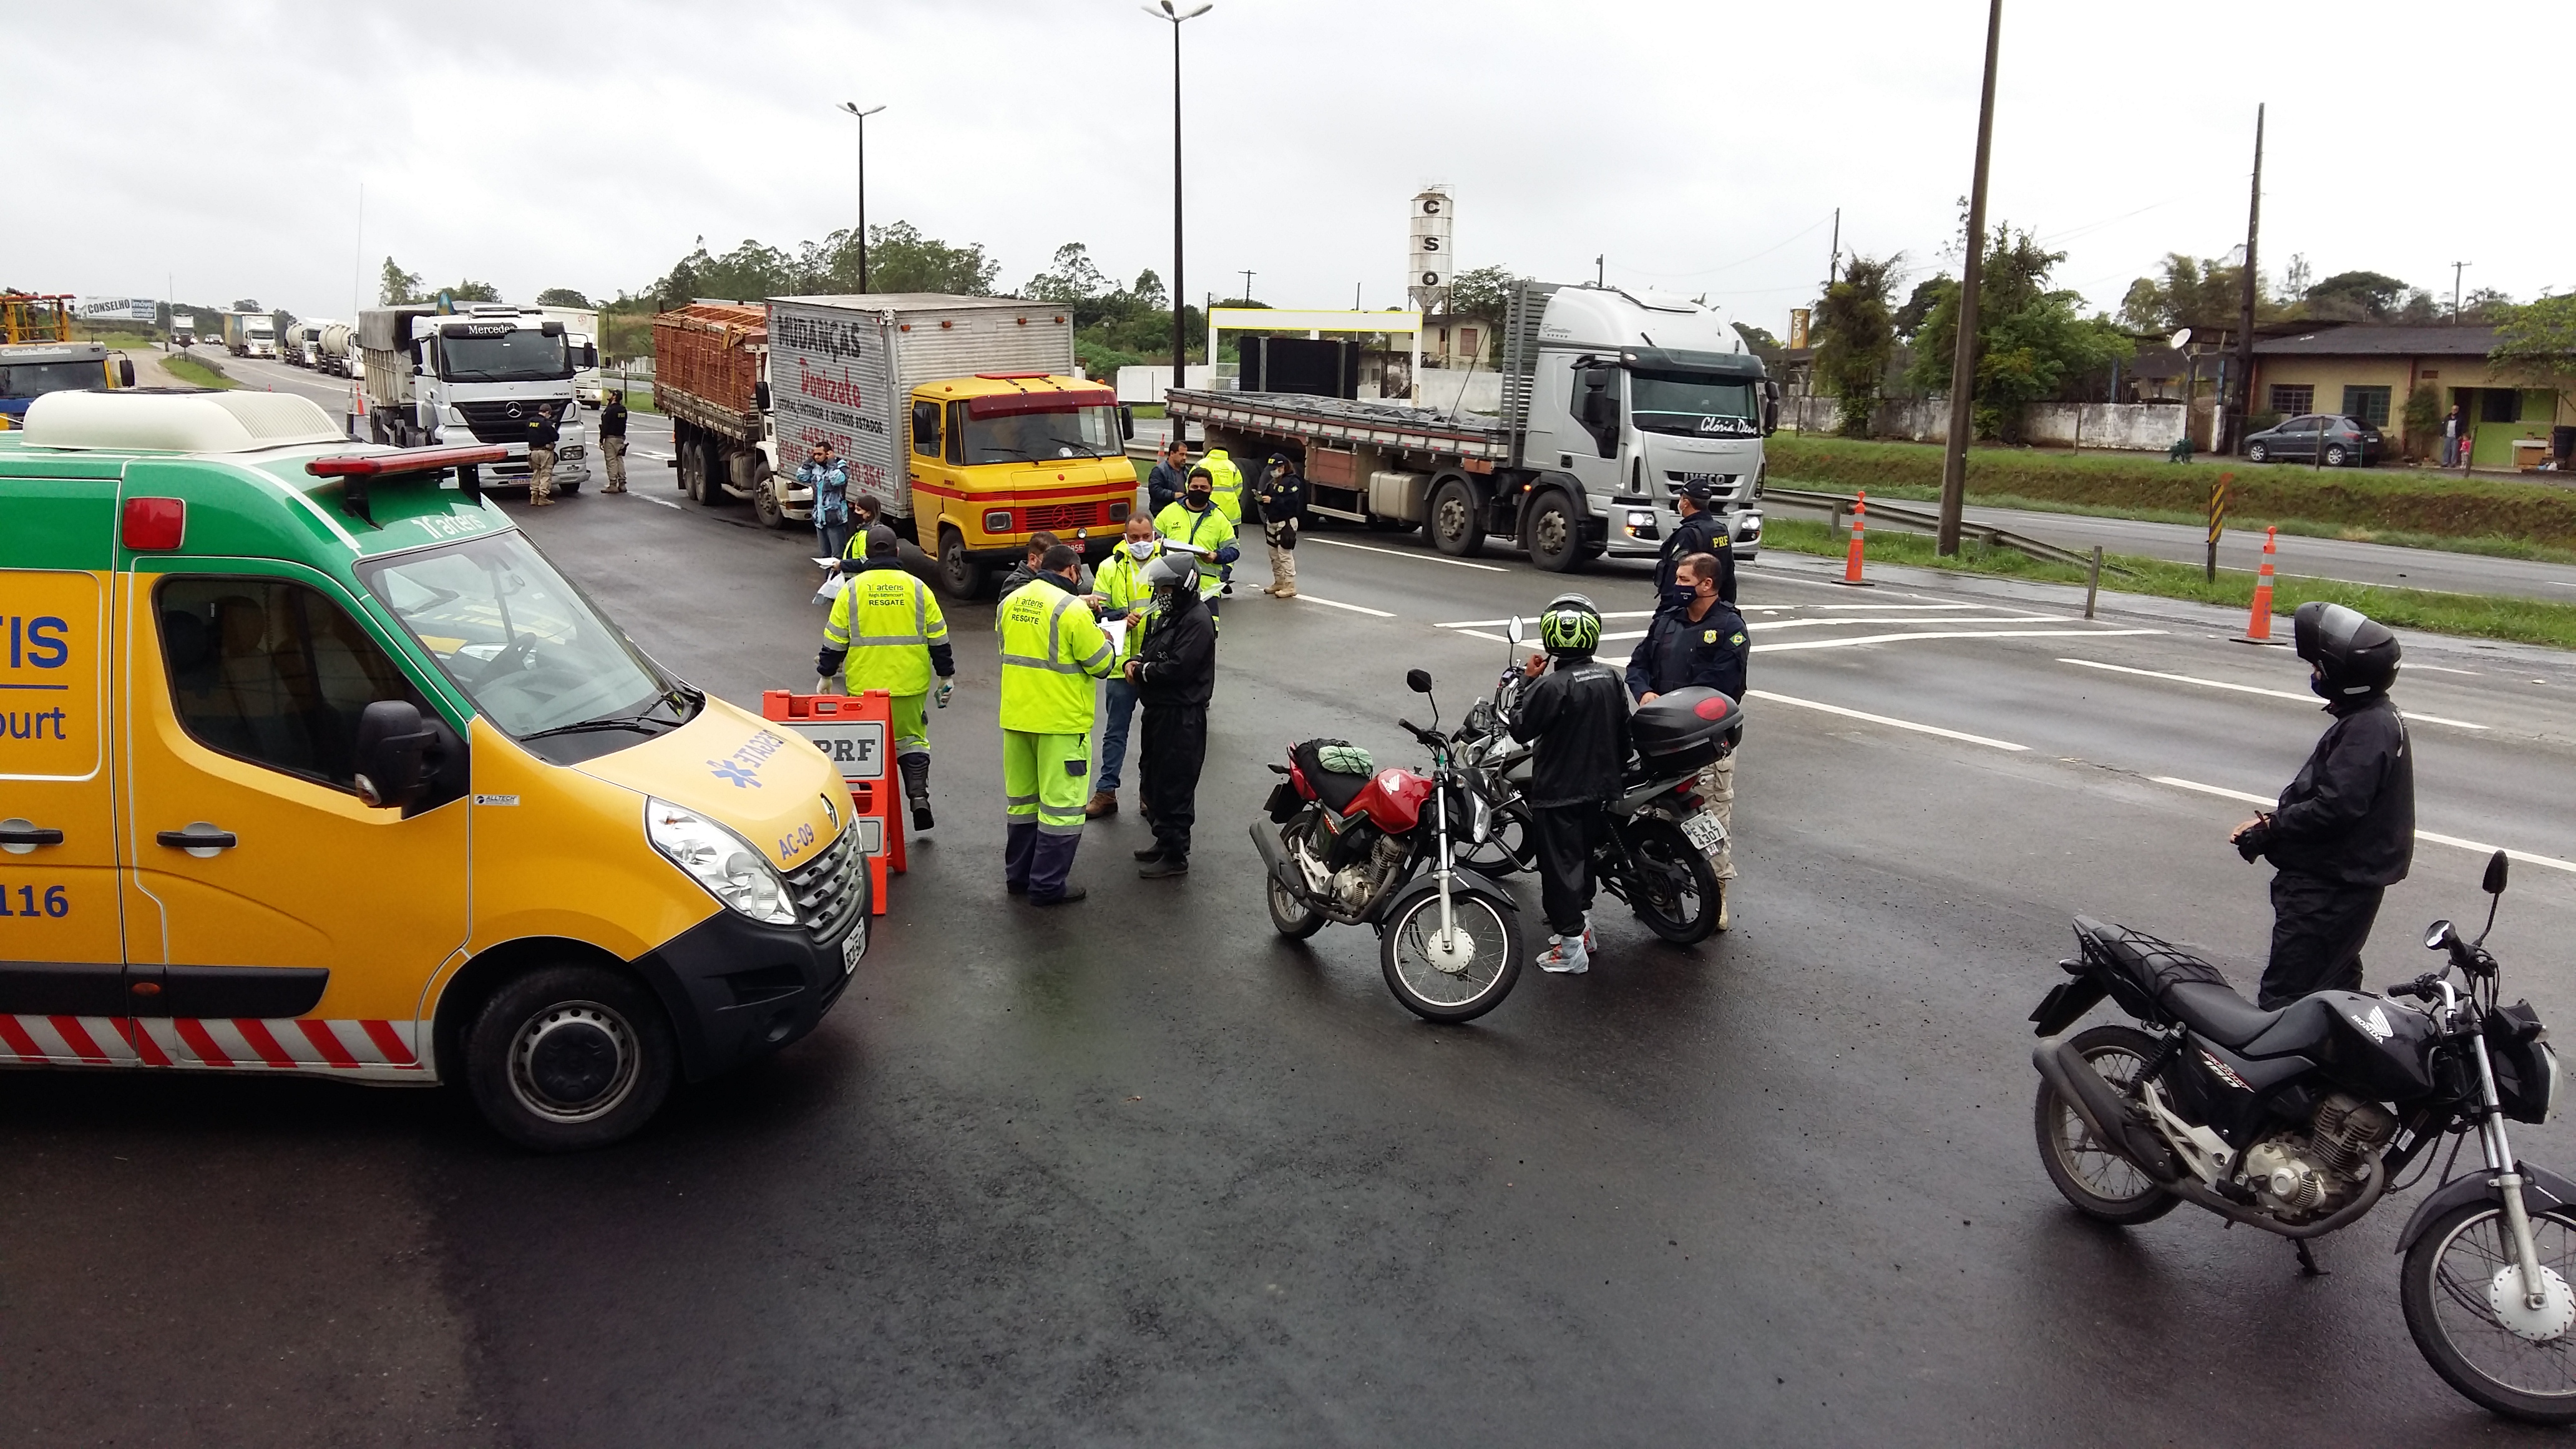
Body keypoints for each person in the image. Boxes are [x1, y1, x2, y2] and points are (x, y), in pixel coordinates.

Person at [2228, 602, 2415, 1009]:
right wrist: (2272, 824)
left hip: (2328, 892)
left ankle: (2280, 1073)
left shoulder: (2367, 729)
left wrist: (2271, 830)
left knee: (2289, 1000)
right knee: (2333, 994)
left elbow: (2334, 808)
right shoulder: (2373, 717)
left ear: (2344, 677)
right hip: (2343, 885)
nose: (2314, 674)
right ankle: (2333, 1072)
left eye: (2319, 667)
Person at [1627, 552, 1749, 928]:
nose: (1675, 586)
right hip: (1660, 739)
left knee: (1709, 818)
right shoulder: (1667, 620)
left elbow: (1724, 684)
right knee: (1653, 815)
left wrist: (1674, 705)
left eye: (1683, 580)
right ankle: (1658, 891)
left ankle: (1718, 895)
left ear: (1706, 584)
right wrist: (1645, 693)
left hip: (1705, 744)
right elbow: (1639, 663)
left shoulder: (1730, 627)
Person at [1511, 595, 1631, 975]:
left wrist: (1526, 680)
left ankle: (1570, 947)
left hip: (1559, 790)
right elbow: (1623, 733)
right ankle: (1585, 930)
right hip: (1602, 788)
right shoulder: (1611, 677)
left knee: (1559, 870)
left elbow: (1520, 726)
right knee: (1583, 861)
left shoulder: (1551, 686)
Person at [997, 543, 1120, 904]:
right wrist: (1108, 641)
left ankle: (1018, 878)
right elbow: (1101, 665)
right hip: (1061, 723)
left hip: (1018, 718)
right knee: (1061, 808)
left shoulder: (1010, 602)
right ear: (1072, 572)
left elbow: (1007, 651)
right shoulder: (1072, 609)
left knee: (1023, 803)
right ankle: (1048, 885)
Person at [817, 524, 955, 831]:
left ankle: (872, 819)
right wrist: (946, 676)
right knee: (912, 742)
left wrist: (826, 675)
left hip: (865, 688)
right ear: (896, 552)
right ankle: (918, 796)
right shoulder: (918, 588)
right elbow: (939, 638)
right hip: (909, 685)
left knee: (869, 750)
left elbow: (834, 640)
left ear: (866, 555)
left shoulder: (852, 590)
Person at [1129, 554, 1216, 878]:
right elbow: (1152, 648)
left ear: (1182, 588)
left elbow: (1178, 668)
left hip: (1182, 716)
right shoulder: (1169, 617)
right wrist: (1137, 660)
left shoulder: (1197, 621)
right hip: (1158, 712)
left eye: (1166, 589)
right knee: (1152, 777)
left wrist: (1142, 672)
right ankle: (1163, 839)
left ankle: (1176, 853)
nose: (1161, 595)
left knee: (1174, 782)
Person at [1085, 517, 1161, 819]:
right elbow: (1098, 608)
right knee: (1115, 732)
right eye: (1134, 537)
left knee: (1154, 733)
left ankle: (1149, 794)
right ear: (1125, 537)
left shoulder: (1167, 563)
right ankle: (1106, 792)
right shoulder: (1109, 566)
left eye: (1146, 536)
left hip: (1155, 663)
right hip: (1120, 665)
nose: (1141, 542)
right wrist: (1122, 616)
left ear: (1154, 535)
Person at [1153, 466, 1237, 625]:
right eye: (1195, 487)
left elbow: (1234, 550)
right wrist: (1157, 544)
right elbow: (1152, 540)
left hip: (1206, 590)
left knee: (1207, 635)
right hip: (1173, 586)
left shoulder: (1219, 518)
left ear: (1211, 490)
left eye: (1203, 488)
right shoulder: (1169, 512)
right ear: (1187, 488)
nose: (1199, 491)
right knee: (1170, 635)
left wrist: (1216, 556)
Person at [1652, 478, 1736, 603]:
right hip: (1715, 604)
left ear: (1685, 503)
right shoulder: (1720, 530)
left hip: (1690, 607)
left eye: (1680, 499)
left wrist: (1667, 611)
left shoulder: (1688, 534)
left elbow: (1675, 575)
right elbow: (1729, 573)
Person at [1252, 452, 1307, 598]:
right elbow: (1267, 495)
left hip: (1286, 522)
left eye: (1275, 468)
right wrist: (1261, 498)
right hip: (1272, 520)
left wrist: (1273, 500)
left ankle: (1290, 585)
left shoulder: (1293, 481)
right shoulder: (1273, 482)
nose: (1273, 471)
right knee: (1274, 555)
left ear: (1283, 467)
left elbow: (1292, 501)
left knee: (1285, 554)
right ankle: (1279, 581)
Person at [1201, 447, 1245, 594]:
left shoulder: (1202, 464)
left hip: (1207, 512)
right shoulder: (1232, 466)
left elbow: (1191, 485)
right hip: (1230, 514)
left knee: (1207, 544)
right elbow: (1239, 488)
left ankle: (1211, 578)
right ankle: (1224, 575)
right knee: (1232, 546)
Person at [801, 443, 853, 562]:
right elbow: (802, 476)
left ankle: (838, 580)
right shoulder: (816, 467)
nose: (816, 457)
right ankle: (829, 580)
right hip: (820, 519)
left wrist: (831, 463)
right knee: (826, 556)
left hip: (835, 519)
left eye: (820, 454)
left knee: (837, 556)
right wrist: (809, 461)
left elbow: (837, 480)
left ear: (829, 454)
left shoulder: (841, 467)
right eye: (814, 454)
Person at [524, 402, 562, 506]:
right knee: (546, 474)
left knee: (536, 473)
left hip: (533, 452)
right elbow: (555, 437)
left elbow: (526, 434)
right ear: (548, 412)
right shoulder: (546, 423)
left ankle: (534, 496)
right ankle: (543, 497)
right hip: (545, 452)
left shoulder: (530, 422)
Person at [1146, 438, 1193, 515]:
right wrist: (1174, 495)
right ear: (1172, 454)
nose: (1185, 458)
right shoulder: (1160, 471)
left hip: (1180, 511)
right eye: (1181, 454)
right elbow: (1155, 491)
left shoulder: (1186, 471)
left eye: (1186, 455)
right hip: (1163, 512)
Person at [598, 391, 630, 493]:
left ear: (614, 397)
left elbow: (605, 425)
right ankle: (622, 483)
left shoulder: (610, 410)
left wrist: (601, 439)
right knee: (619, 459)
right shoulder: (623, 410)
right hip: (621, 438)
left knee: (611, 460)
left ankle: (613, 484)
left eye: (611, 394)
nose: (609, 395)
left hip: (611, 438)